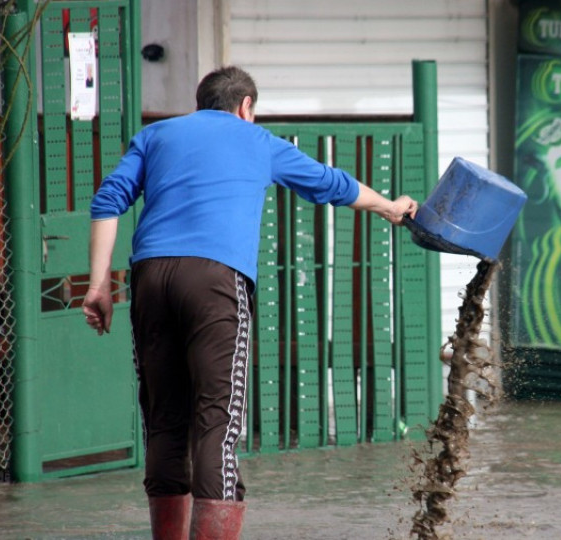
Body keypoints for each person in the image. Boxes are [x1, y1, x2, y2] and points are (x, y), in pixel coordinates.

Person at [81, 66, 418, 540]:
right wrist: (389, 207)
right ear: (245, 107)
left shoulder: (155, 135)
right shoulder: (256, 140)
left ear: (202, 103)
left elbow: (107, 201)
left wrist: (99, 286)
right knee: (216, 418)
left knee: (164, 417)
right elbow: (330, 184)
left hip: (151, 277)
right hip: (215, 279)